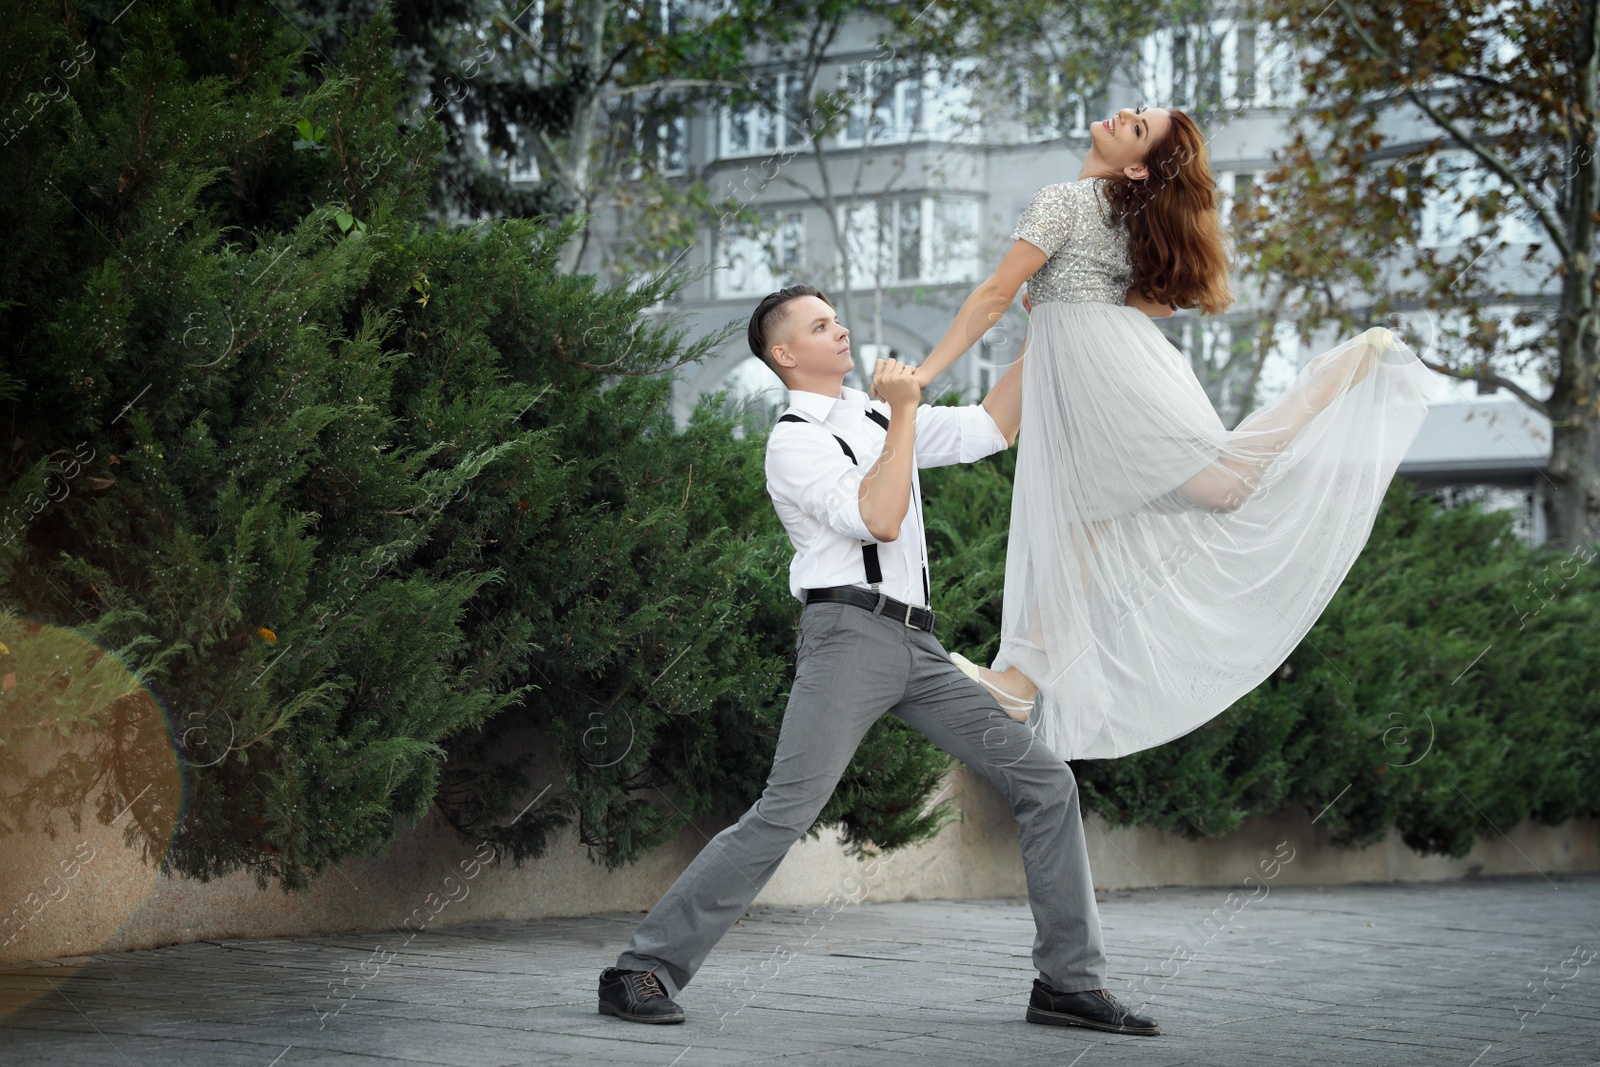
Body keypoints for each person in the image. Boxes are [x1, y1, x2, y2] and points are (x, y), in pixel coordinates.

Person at [596, 284, 1162, 1036]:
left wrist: (1046, 335)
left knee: (1045, 779)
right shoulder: (796, 439)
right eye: (820, 325)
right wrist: (902, 415)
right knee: (784, 811)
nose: (841, 331)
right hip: (847, 639)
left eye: (837, 319)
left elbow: (995, 425)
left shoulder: (872, 413)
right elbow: (881, 517)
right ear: (784, 353)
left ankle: (1068, 983)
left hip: (919, 647)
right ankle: (641, 967)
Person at [915, 106, 1436, 759]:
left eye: (1138, 127)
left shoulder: (1065, 200)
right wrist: (1054, 304)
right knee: (1084, 524)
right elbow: (1149, 301)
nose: (1125, 113)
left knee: (1221, 486)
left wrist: (925, 373)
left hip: (1113, 374)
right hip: (1109, 365)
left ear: (1136, 165)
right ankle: (1019, 680)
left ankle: (1338, 374)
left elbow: (994, 293)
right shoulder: (1124, 215)